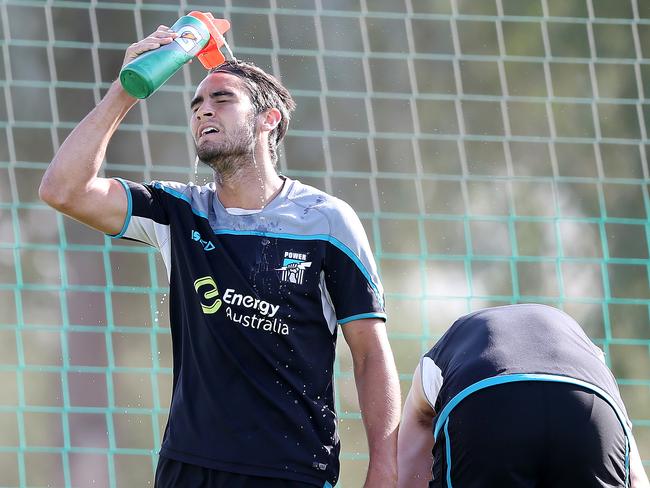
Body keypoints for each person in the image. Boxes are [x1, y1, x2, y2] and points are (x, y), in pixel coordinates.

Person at [39, 26, 401, 488]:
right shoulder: (179, 211)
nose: (203, 110)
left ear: (269, 119)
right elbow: (63, 189)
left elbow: (370, 354)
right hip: (187, 467)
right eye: (196, 105)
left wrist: (385, 471)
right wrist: (126, 89)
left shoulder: (328, 221)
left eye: (222, 99)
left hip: (291, 470)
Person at [397, 303, 650, 488]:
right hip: (589, 401)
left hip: (484, 400)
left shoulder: (433, 363)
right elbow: (635, 477)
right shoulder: (591, 354)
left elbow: (404, 474)